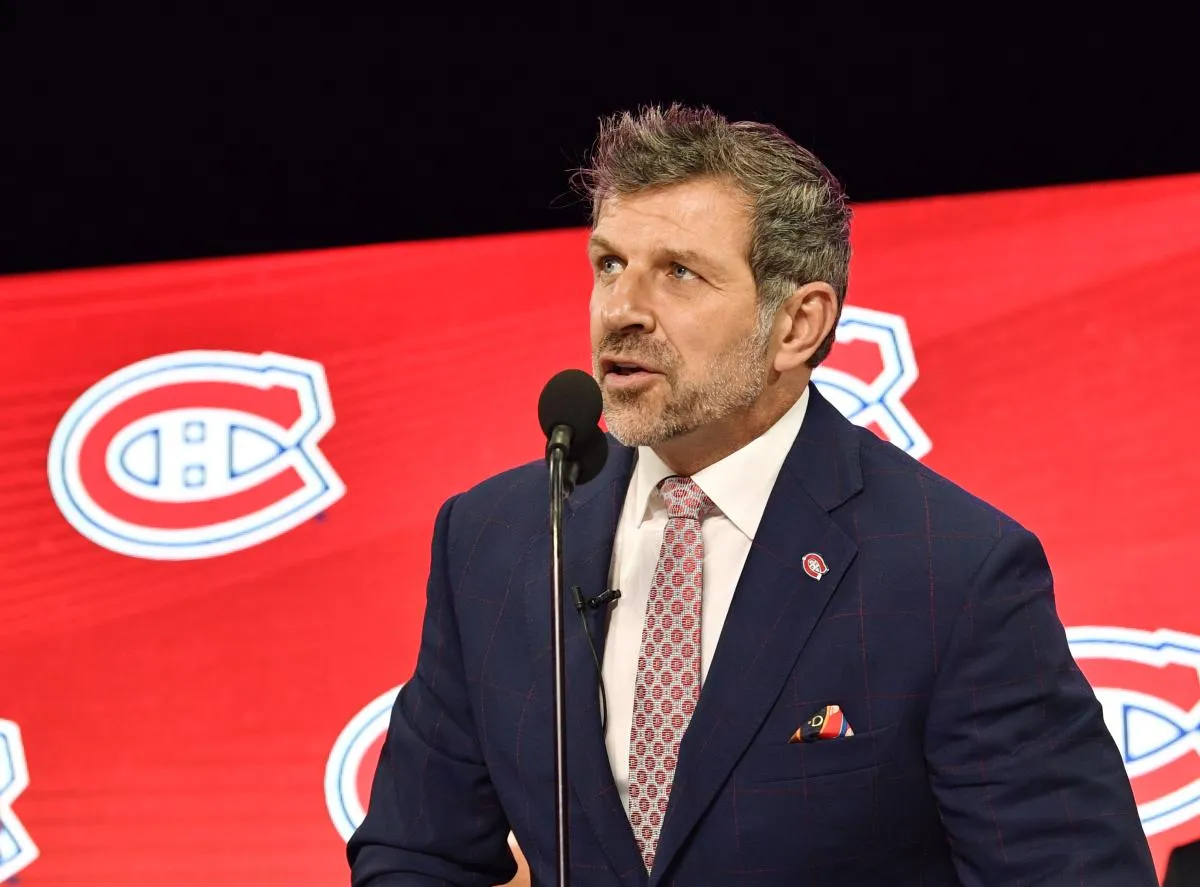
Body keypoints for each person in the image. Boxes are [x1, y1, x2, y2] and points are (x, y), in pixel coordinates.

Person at [348, 104, 1156, 885]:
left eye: (679, 273)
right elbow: (416, 856)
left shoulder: (955, 572)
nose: (621, 311)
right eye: (609, 264)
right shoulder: (495, 538)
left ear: (798, 325)